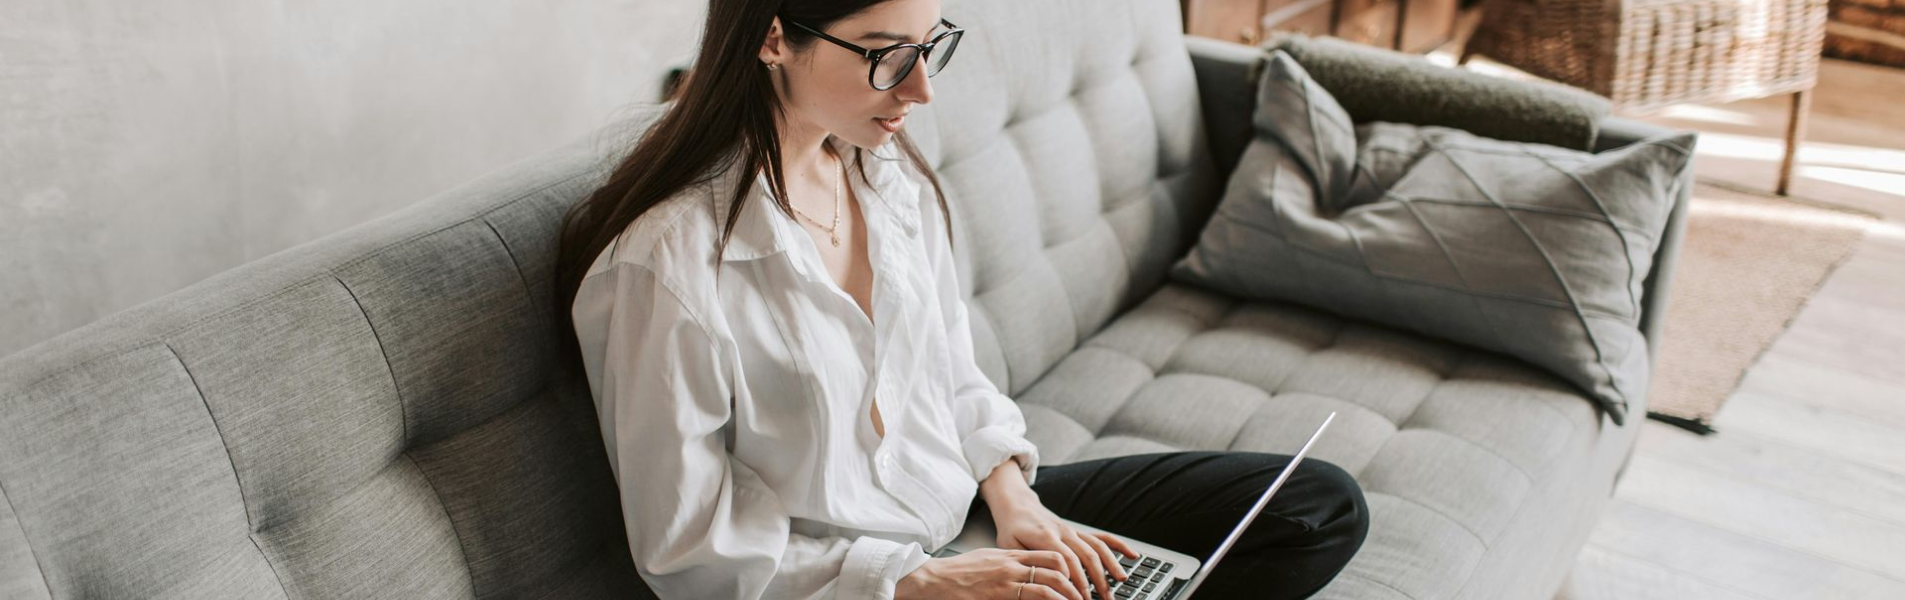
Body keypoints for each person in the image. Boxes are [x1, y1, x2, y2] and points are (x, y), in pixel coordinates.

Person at [554, 1, 1370, 598]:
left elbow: (951, 374)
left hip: (964, 522)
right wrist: (920, 584)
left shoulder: (884, 175)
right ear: (772, 36)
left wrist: (1017, 506)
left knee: (1316, 507)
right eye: (884, 55)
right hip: (853, 587)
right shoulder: (666, 268)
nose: (919, 90)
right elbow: (690, 549)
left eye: (927, 48)